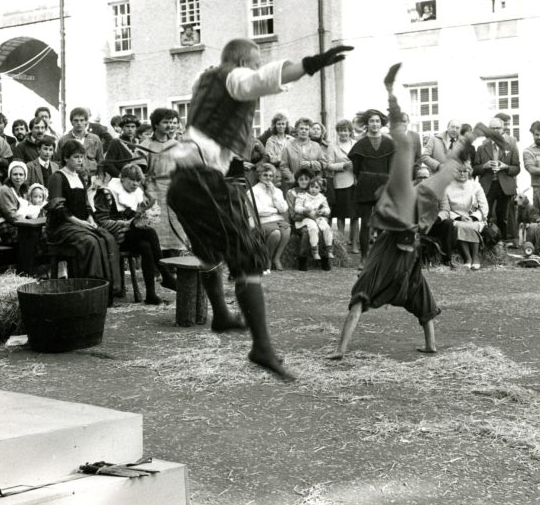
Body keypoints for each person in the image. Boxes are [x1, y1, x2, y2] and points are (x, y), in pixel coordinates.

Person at [166, 37, 352, 380]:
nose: (254, 67)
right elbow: (261, 79)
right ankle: (262, 348)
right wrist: (313, 63)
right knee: (250, 258)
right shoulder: (234, 76)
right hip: (203, 181)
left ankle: (221, 314)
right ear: (240, 61)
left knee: (210, 250)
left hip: (183, 184)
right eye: (253, 61)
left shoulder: (202, 80)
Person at [329, 64, 498, 360]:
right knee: (404, 297)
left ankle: (344, 349)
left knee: (367, 298)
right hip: (402, 244)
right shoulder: (416, 192)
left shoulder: (415, 192)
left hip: (400, 247)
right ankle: (423, 345)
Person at [47, 140, 121, 298]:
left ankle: (109, 289)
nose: (80, 160)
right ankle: (89, 288)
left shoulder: (79, 177)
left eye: (82, 157)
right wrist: (81, 223)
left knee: (107, 237)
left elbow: (86, 204)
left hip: (80, 224)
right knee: (91, 242)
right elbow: (58, 210)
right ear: (66, 158)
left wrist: (90, 219)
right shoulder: (57, 177)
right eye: (76, 157)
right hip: (61, 227)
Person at [94, 163, 176, 304]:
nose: (135, 183)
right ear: (122, 178)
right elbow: (101, 222)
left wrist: (143, 217)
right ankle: (166, 275)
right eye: (131, 180)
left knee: (146, 246)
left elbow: (133, 217)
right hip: (114, 237)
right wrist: (126, 224)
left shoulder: (136, 193)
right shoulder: (107, 192)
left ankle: (150, 294)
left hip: (130, 235)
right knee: (149, 233)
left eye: (138, 181)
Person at [350, 109, 394, 259]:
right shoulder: (360, 145)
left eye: (377, 121)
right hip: (366, 186)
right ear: (367, 124)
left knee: (381, 223)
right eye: (371, 121)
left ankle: (378, 258)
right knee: (366, 222)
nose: (374, 124)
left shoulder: (389, 144)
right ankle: (364, 257)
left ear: (381, 123)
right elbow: (356, 169)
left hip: (384, 186)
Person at [141, 108, 186, 254]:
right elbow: (137, 171)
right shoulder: (145, 145)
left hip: (174, 191)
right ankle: (157, 270)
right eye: (165, 122)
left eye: (173, 122)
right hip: (153, 191)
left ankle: (175, 266)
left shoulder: (177, 145)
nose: (170, 126)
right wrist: (142, 193)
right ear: (155, 125)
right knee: (156, 226)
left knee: (176, 228)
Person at [473, 117, 520, 248]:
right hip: (487, 186)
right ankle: (486, 243)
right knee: (485, 215)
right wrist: (485, 166)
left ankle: (503, 243)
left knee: (503, 217)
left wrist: (505, 166)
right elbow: (474, 169)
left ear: (503, 129)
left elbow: (517, 168)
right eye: (492, 128)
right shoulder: (482, 148)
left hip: (504, 186)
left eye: (497, 128)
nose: (495, 131)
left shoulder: (511, 145)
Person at [435, 161, 489, 269]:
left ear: (469, 172)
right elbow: (446, 208)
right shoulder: (447, 187)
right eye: (459, 171)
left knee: (472, 225)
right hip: (456, 217)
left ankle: (475, 257)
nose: (462, 174)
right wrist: (459, 217)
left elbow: (484, 206)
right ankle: (467, 258)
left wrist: (473, 217)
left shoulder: (476, 186)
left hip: (474, 217)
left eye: (465, 171)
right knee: (461, 226)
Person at [251, 163, 291, 271]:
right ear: (259, 176)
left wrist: (273, 193)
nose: (268, 178)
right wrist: (274, 210)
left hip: (277, 220)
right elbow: (259, 210)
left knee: (286, 229)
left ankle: (276, 258)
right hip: (262, 222)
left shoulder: (277, 191)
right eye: (265, 175)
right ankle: (266, 259)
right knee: (276, 233)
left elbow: (283, 208)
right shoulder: (253, 191)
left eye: (271, 175)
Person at [324, 119, 356, 242]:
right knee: (341, 215)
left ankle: (354, 244)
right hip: (341, 183)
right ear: (338, 132)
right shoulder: (332, 146)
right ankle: (341, 242)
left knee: (355, 216)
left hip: (355, 183)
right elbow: (328, 165)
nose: (343, 133)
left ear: (350, 131)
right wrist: (343, 166)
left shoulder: (356, 144)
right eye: (341, 130)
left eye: (346, 130)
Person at [295, 176, 334, 264]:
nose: (313, 189)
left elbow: (328, 209)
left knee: (327, 228)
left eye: (316, 187)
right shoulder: (303, 196)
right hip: (306, 217)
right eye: (312, 187)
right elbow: (297, 208)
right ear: (309, 187)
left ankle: (329, 248)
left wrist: (322, 211)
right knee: (313, 228)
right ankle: (314, 250)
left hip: (317, 216)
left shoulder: (322, 198)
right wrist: (304, 210)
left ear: (320, 189)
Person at [280, 117, 325, 189]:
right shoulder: (288, 145)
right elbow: (283, 166)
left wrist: (311, 164)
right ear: (297, 130)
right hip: (294, 184)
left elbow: (323, 164)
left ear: (310, 131)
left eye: (306, 129)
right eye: (301, 128)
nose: (304, 131)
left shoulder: (316, 146)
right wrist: (292, 178)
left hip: (312, 185)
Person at [262, 113, 293, 186]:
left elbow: (294, 156)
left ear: (286, 125)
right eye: (278, 124)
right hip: (276, 170)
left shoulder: (292, 140)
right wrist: (284, 159)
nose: (281, 126)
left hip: (289, 170)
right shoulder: (270, 140)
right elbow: (270, 157)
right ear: (275, 126)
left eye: (283, 124)